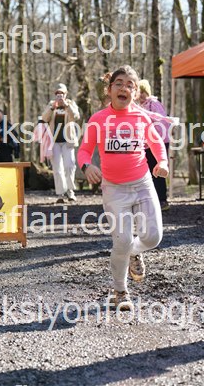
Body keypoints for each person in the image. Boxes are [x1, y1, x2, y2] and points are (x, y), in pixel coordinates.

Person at [78, 65, 168, 310]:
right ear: (109, 90)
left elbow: (156, 143)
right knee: (122, 240)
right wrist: (87, 166)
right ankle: (120, 291)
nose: (124, 88)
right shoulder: (98, 119)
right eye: (119, 84)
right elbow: (84, 150)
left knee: (153, 237)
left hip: (142, 184)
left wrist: (162, 161)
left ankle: (134, 252)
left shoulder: (141, 117)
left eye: (130, 85)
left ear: (135, 93)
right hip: (114, 189)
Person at [41, 83, 81, 203]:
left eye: (62, 93)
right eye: (57, 93)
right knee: (58, 168)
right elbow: (44, 118)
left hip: (68, 141)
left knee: (69, 166)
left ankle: (70, 191)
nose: (60, 96)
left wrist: (66, 106)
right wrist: (52, 108)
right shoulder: (51, 105)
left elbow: (76, 117)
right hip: (54, 142)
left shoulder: (71, 104)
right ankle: (60, 193)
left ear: (65, 94)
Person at [137, 79, 171, 211]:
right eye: (139, 92)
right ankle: (152, 200)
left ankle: (162, 200)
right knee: (149, 172)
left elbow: (161, 122)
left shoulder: (153, 104)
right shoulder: (140, 105)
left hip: (159, 142)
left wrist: (154, 139)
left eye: (143, 92)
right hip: (146, 144)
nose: (141, 95)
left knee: (158, 171)